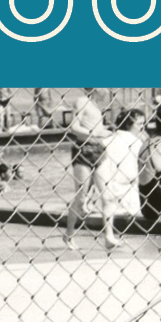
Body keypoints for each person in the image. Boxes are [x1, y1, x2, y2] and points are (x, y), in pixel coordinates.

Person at [63, 88, 113, 250]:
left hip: (99, 149)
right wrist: (96, 132)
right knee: (81, 198)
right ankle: (69, 234)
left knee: (108, 196)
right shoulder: (81, 101)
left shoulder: (96, 104)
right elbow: (74, 127)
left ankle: (109, 236)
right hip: (83, 150)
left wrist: (100, 134)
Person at [97, 108, 146, 248]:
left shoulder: (107, 140)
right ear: (129, 124)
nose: (142, 127)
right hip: (129, 196)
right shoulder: (136, 143)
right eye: (139, 124)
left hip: (108, 195)